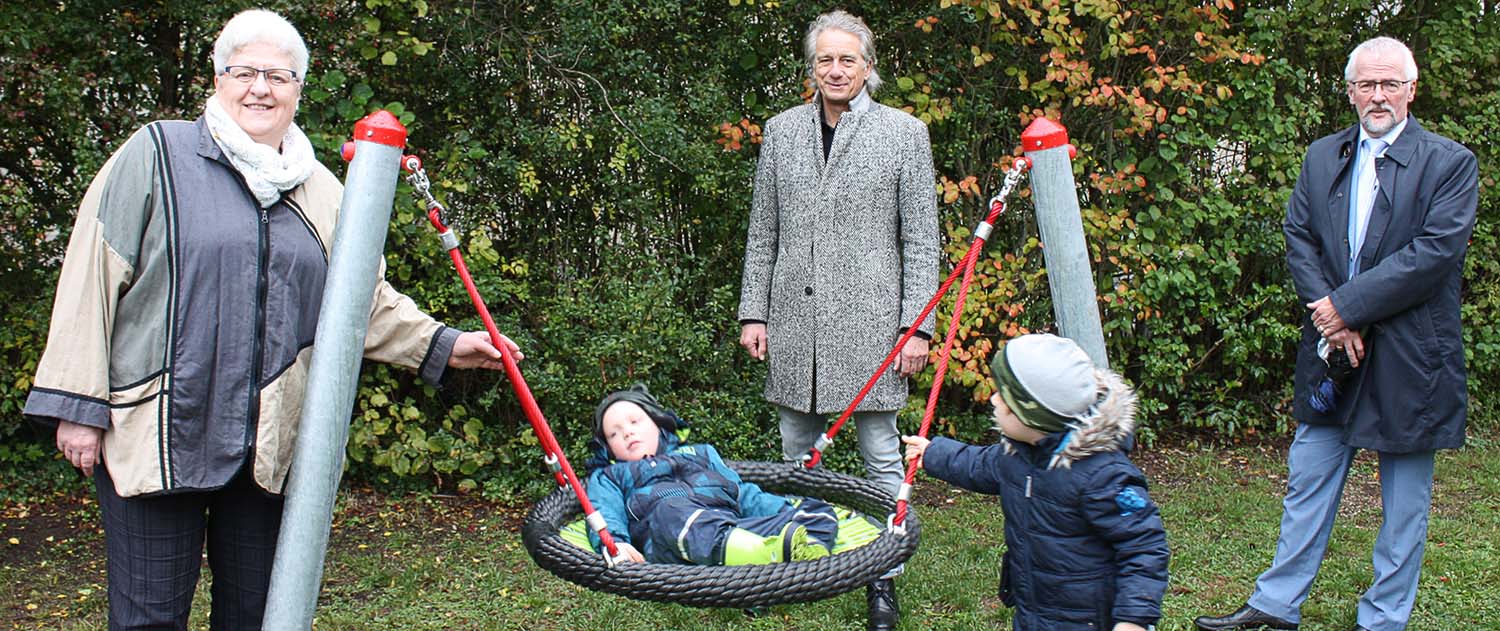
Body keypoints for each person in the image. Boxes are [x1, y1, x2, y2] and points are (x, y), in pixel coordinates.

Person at [22, 10, 522, 630]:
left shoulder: (323, 189)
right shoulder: (157, 153)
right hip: (155, 430)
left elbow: (360, 303)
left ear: (297, 89)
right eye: (245, 71)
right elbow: (90, 277)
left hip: (268, 445)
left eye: (279, 76)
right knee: (147, 619)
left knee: (259, 617)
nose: (261, 87)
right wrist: (77, 405)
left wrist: (445, 345)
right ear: (218, 76)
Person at [1193, 37, 1478, 631]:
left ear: (1411, 90)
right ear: (1350, 92)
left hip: (1411, 357)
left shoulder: (1450, 163)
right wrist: (1330, 316)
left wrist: (1346, 308)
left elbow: (1433, 254)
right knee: (1309, 475)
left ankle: (1383, 618)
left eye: (1390, 85)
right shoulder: (1323, 155)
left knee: (1404, 504)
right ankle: (1275, 606)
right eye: (1367, 85)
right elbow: (1299, 232)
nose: (1378, 96)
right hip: (1333, 351)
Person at [736, 9, 938, 628]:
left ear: (868, 67)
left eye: (847, 59)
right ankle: (790, 566)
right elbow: (764, 231)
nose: (835, 69)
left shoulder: (905, 133)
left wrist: (917, 326)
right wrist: (753, 312)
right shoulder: (782, 131)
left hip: (874, 325)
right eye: (825, 59)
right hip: (794, 322)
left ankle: (883, 576)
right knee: (796, 456)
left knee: (880, 455)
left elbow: (922, 241)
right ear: (811, 66)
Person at [903, 334, 1169, 631]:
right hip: (1034, 606)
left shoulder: (1103, 476)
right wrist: (933, 453)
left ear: (1033, 417)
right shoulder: (1018, 454)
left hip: (1088, 619)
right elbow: (977, 465)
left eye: (1003, 400)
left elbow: (1144, 547)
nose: (993, 400)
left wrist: (1134, 619)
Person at [585, 385, 838, 565]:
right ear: (608, 448)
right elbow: (603, 512)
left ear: (658, 423)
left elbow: (740, 493)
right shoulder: (610, 475)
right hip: (672, 542)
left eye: (634, 422)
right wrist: (615, 543)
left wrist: (784, 511)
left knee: (817, 513)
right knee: (669, 511)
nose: (627, 433)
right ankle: (766, 561)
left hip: (732, 529)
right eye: (614, 434)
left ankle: (799, 559)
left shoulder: (701, 453)